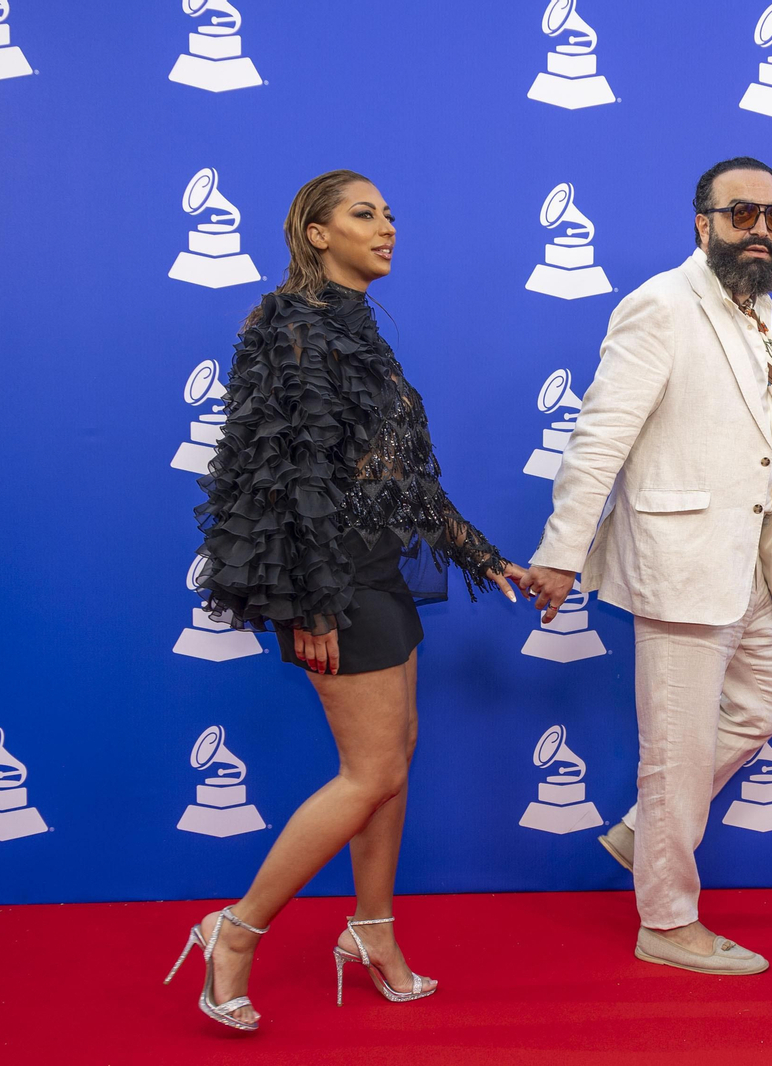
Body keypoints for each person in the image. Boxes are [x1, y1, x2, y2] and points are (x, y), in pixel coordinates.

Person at [164, 169, 526, 1031]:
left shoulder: (362, 328)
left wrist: (486, 558)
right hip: (332, 585)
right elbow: (272, 478)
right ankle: (235, 931)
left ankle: (371, 931)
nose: (387, 227)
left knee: (392, 768)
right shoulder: (287, 325)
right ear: (316, 233)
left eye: (391, 215)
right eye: (365, 214)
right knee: (372, 772)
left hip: (378, 575)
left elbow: (399, 480)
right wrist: (311, 604)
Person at [522, 157, 772, 975]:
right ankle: (668, 922)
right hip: (681, 566)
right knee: (675, 753)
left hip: (744, 570)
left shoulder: (756, 308)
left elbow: (762, 455)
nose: (760, 229)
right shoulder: (661, 305)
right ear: (702, 222)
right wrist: (560, 554)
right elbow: (599, 438)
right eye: (741, 213)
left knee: (769, 699)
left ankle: (648, 831)